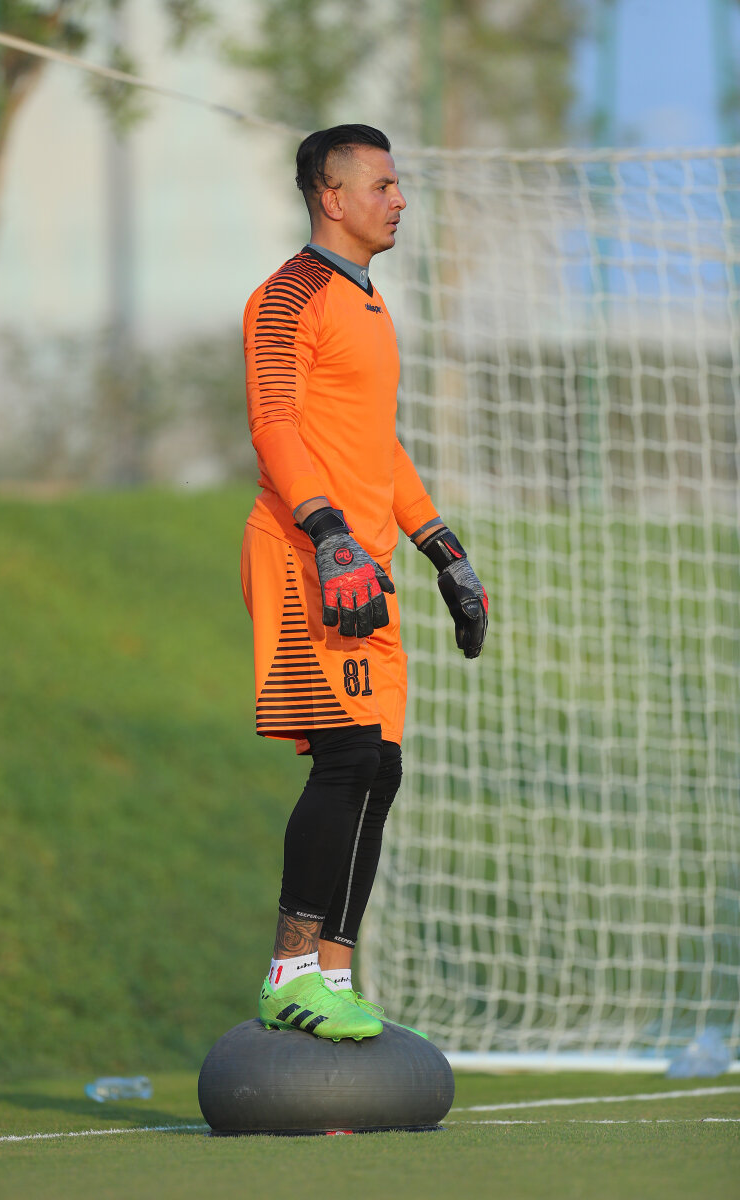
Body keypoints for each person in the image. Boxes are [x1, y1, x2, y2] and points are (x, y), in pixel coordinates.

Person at [241, 124, 488, 1043]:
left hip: (366, 569)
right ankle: (289, 975)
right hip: (306, 557)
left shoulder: (369, 301)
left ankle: (334, 977)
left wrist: (443, 549)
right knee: (346, 758)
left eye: (398, 183)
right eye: (382, 184)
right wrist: (329, 531)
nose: (400, 199)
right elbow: (273, 421)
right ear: (330, 195)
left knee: (380, 770)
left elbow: (377, 446)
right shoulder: (287, 295)